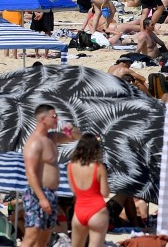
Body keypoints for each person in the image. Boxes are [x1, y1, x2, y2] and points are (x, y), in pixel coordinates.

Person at [22, 104, 62, 247]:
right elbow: (30, 172)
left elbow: (76, 136)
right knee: (31, 237)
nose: (57, 118)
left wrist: (70, 129)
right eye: (54, 116)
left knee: (44, 239)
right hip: (37, 194)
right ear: (43, 119)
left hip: (50, 193)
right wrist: (42, 198)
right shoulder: (34, 143)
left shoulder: (52, 138)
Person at [67, 134, 109, 247]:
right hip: (97, 210)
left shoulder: (70, 166)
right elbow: (105, 193)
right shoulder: (99, 167)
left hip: (79, 210)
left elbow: (74, 191)